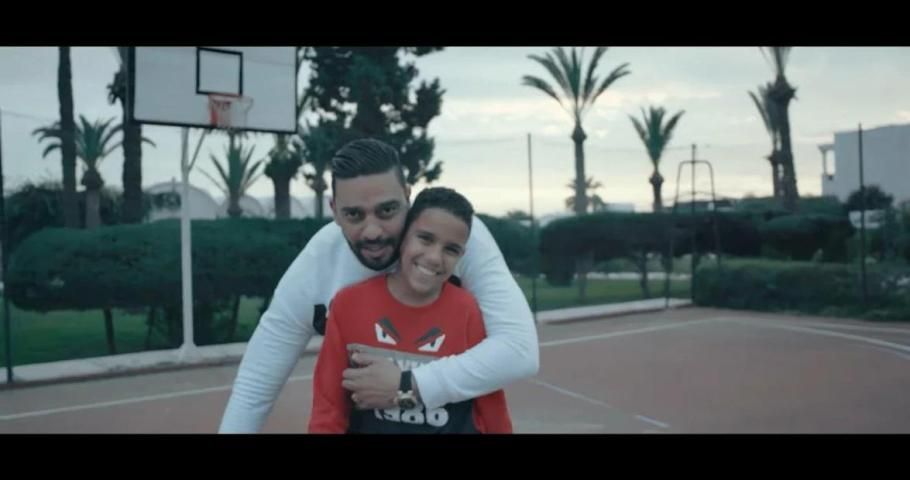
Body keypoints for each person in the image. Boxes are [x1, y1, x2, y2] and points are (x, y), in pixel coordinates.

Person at [219, 138, 538, 433]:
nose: (372, 231)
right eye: (354, 215)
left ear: (408, 197)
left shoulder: (455, 235)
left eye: (387, 210)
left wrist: (407, 385)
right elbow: (256, 386)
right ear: (334, 212)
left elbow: (520, 351)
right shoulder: (316, 268)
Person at [309, 187, 512, 433]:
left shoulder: (467, 310)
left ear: (462, 255)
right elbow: (328, 409)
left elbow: (491, 409)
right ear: (404, 236)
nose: (435, 257)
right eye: (425, 238)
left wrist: (402, 389)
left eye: (451, 249)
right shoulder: (348, 304)